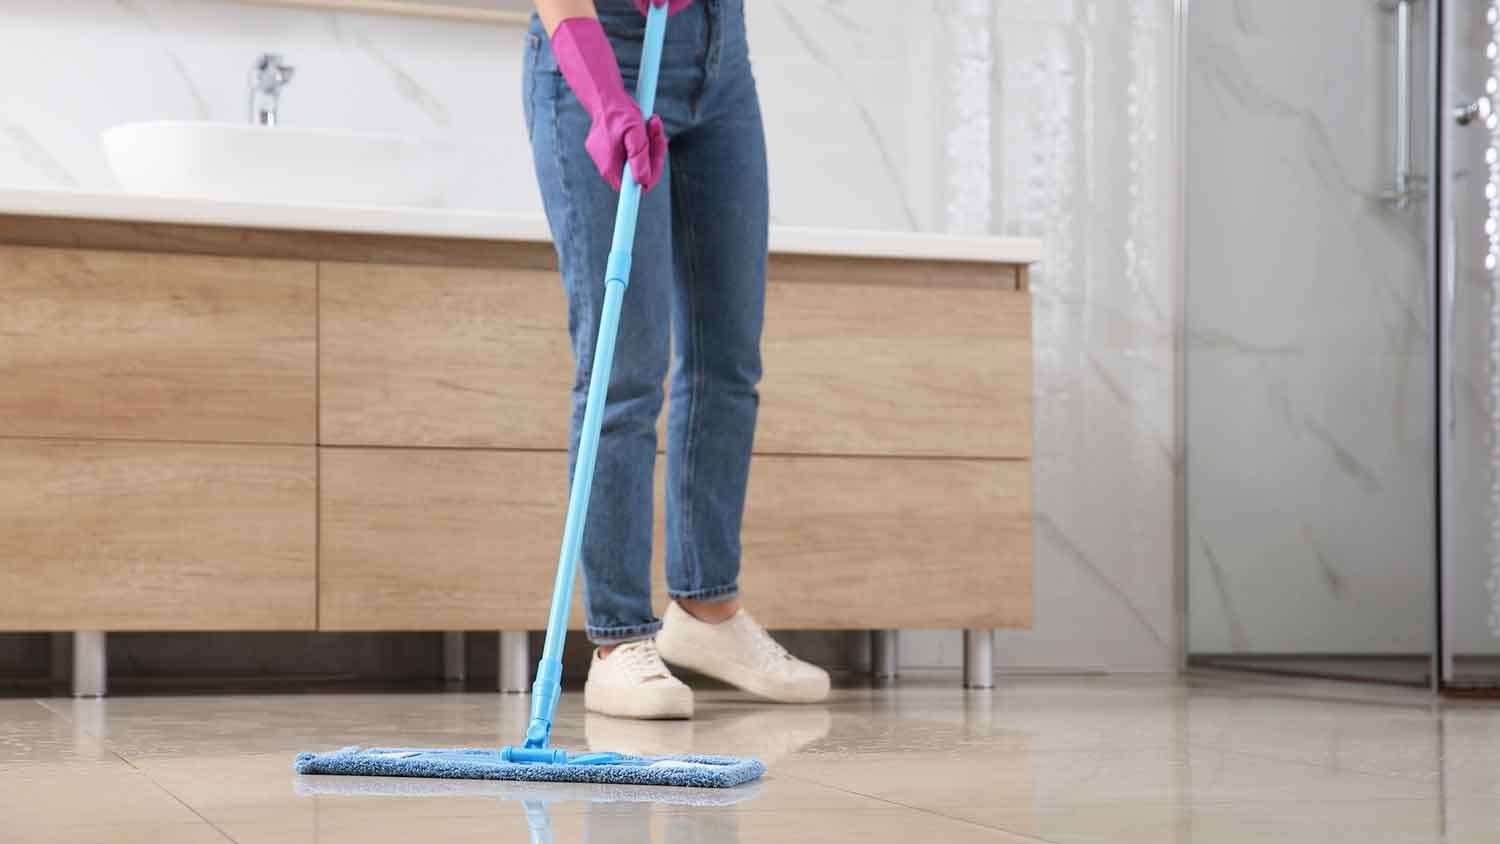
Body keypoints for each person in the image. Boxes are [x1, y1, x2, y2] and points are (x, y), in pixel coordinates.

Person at [524, 0, 830, 719]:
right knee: (625, 368)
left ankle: (706, 610)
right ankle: (618, 641)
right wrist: (604, 100)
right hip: (603, 49)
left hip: (720, 62)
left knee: (728, 359)